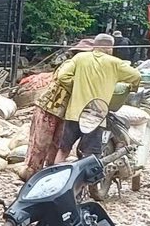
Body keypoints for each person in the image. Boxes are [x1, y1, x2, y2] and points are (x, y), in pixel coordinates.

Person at [52, 33, 142, 163]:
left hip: (74, 112)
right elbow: (136, 76)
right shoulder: (115, 63)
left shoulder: (80, 58)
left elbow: (62, 76)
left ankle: (55, 177)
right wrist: (131, 88)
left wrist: (75, 85)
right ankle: (90, 183)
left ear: (94, 45)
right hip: (96, 114)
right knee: (91, 155)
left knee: (64, 150)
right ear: (110, 48)